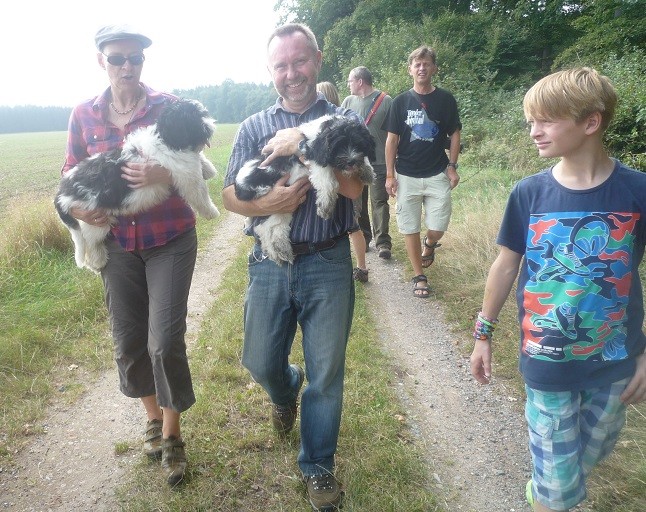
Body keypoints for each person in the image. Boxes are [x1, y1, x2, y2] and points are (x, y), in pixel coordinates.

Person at [469, 67, 646, 512]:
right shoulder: (529, 194)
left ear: (590, 122)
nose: (534, 132)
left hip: (614, 362)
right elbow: (506, 266)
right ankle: (548, 495)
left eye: (546, 120)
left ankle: (545, 488)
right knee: (560, 488)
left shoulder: (638, 190)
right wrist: (482, 333)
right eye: (530, 121)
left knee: (589, 455)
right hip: (546, 361)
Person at [222, 23, 364, 511]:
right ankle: (284, 391)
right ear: (270, 71)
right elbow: (229, 196)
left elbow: (353, 188)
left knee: (327, 373)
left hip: (327, 258)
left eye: (299, 61)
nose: (291, 73)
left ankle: (319, 466)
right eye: (281, 65)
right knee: (259, 360)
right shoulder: (253, 127)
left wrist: (303, 141)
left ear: (317, 60)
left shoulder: (344, 118)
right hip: (268, 262)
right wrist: (269, 203)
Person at [61, 24, 199, 486]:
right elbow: (69, 174)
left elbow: (198, 161)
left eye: (134, 59)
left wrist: (163, 169)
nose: (126, 67)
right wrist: (80, 209)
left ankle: (174, 437)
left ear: (144, 62)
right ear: (101, 60)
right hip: (118, 245)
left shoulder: (169, 107)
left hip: (170, 238)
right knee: (130, 340)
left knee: (164, 341)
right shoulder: (84, 115)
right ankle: (153, 420)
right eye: (117, 58)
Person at [382, 46, 461, 298]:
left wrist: (452, 166)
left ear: (434, 68)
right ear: (410, 69)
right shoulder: (400, 102)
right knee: (409, 227)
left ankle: (430, 243)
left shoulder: (446, 99)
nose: (422, 68)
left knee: (438, 224)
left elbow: (455, 133)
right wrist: (389, 175)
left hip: (437, 172)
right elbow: (391, 140)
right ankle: (419, 276)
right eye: (417, 64)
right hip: (406, 174)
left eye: (426, 64)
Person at [318, 80, 369, 283]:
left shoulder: (330, 126)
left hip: (342, 184)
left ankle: (360, 266)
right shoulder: (344, 121)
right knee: (353, 225)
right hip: (347, 181)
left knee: (350, 225)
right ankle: (362, 266)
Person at [342, 66, 393, 261]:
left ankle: (383, 243)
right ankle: (364, 237)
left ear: (360, 81)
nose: (348, 84)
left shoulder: (386, 101)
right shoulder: (348, 102)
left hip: (379, 161)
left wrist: (393, 163)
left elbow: (394, 134)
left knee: (379, 201)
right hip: (355, 163)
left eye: (350, 81)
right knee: (358, 203)